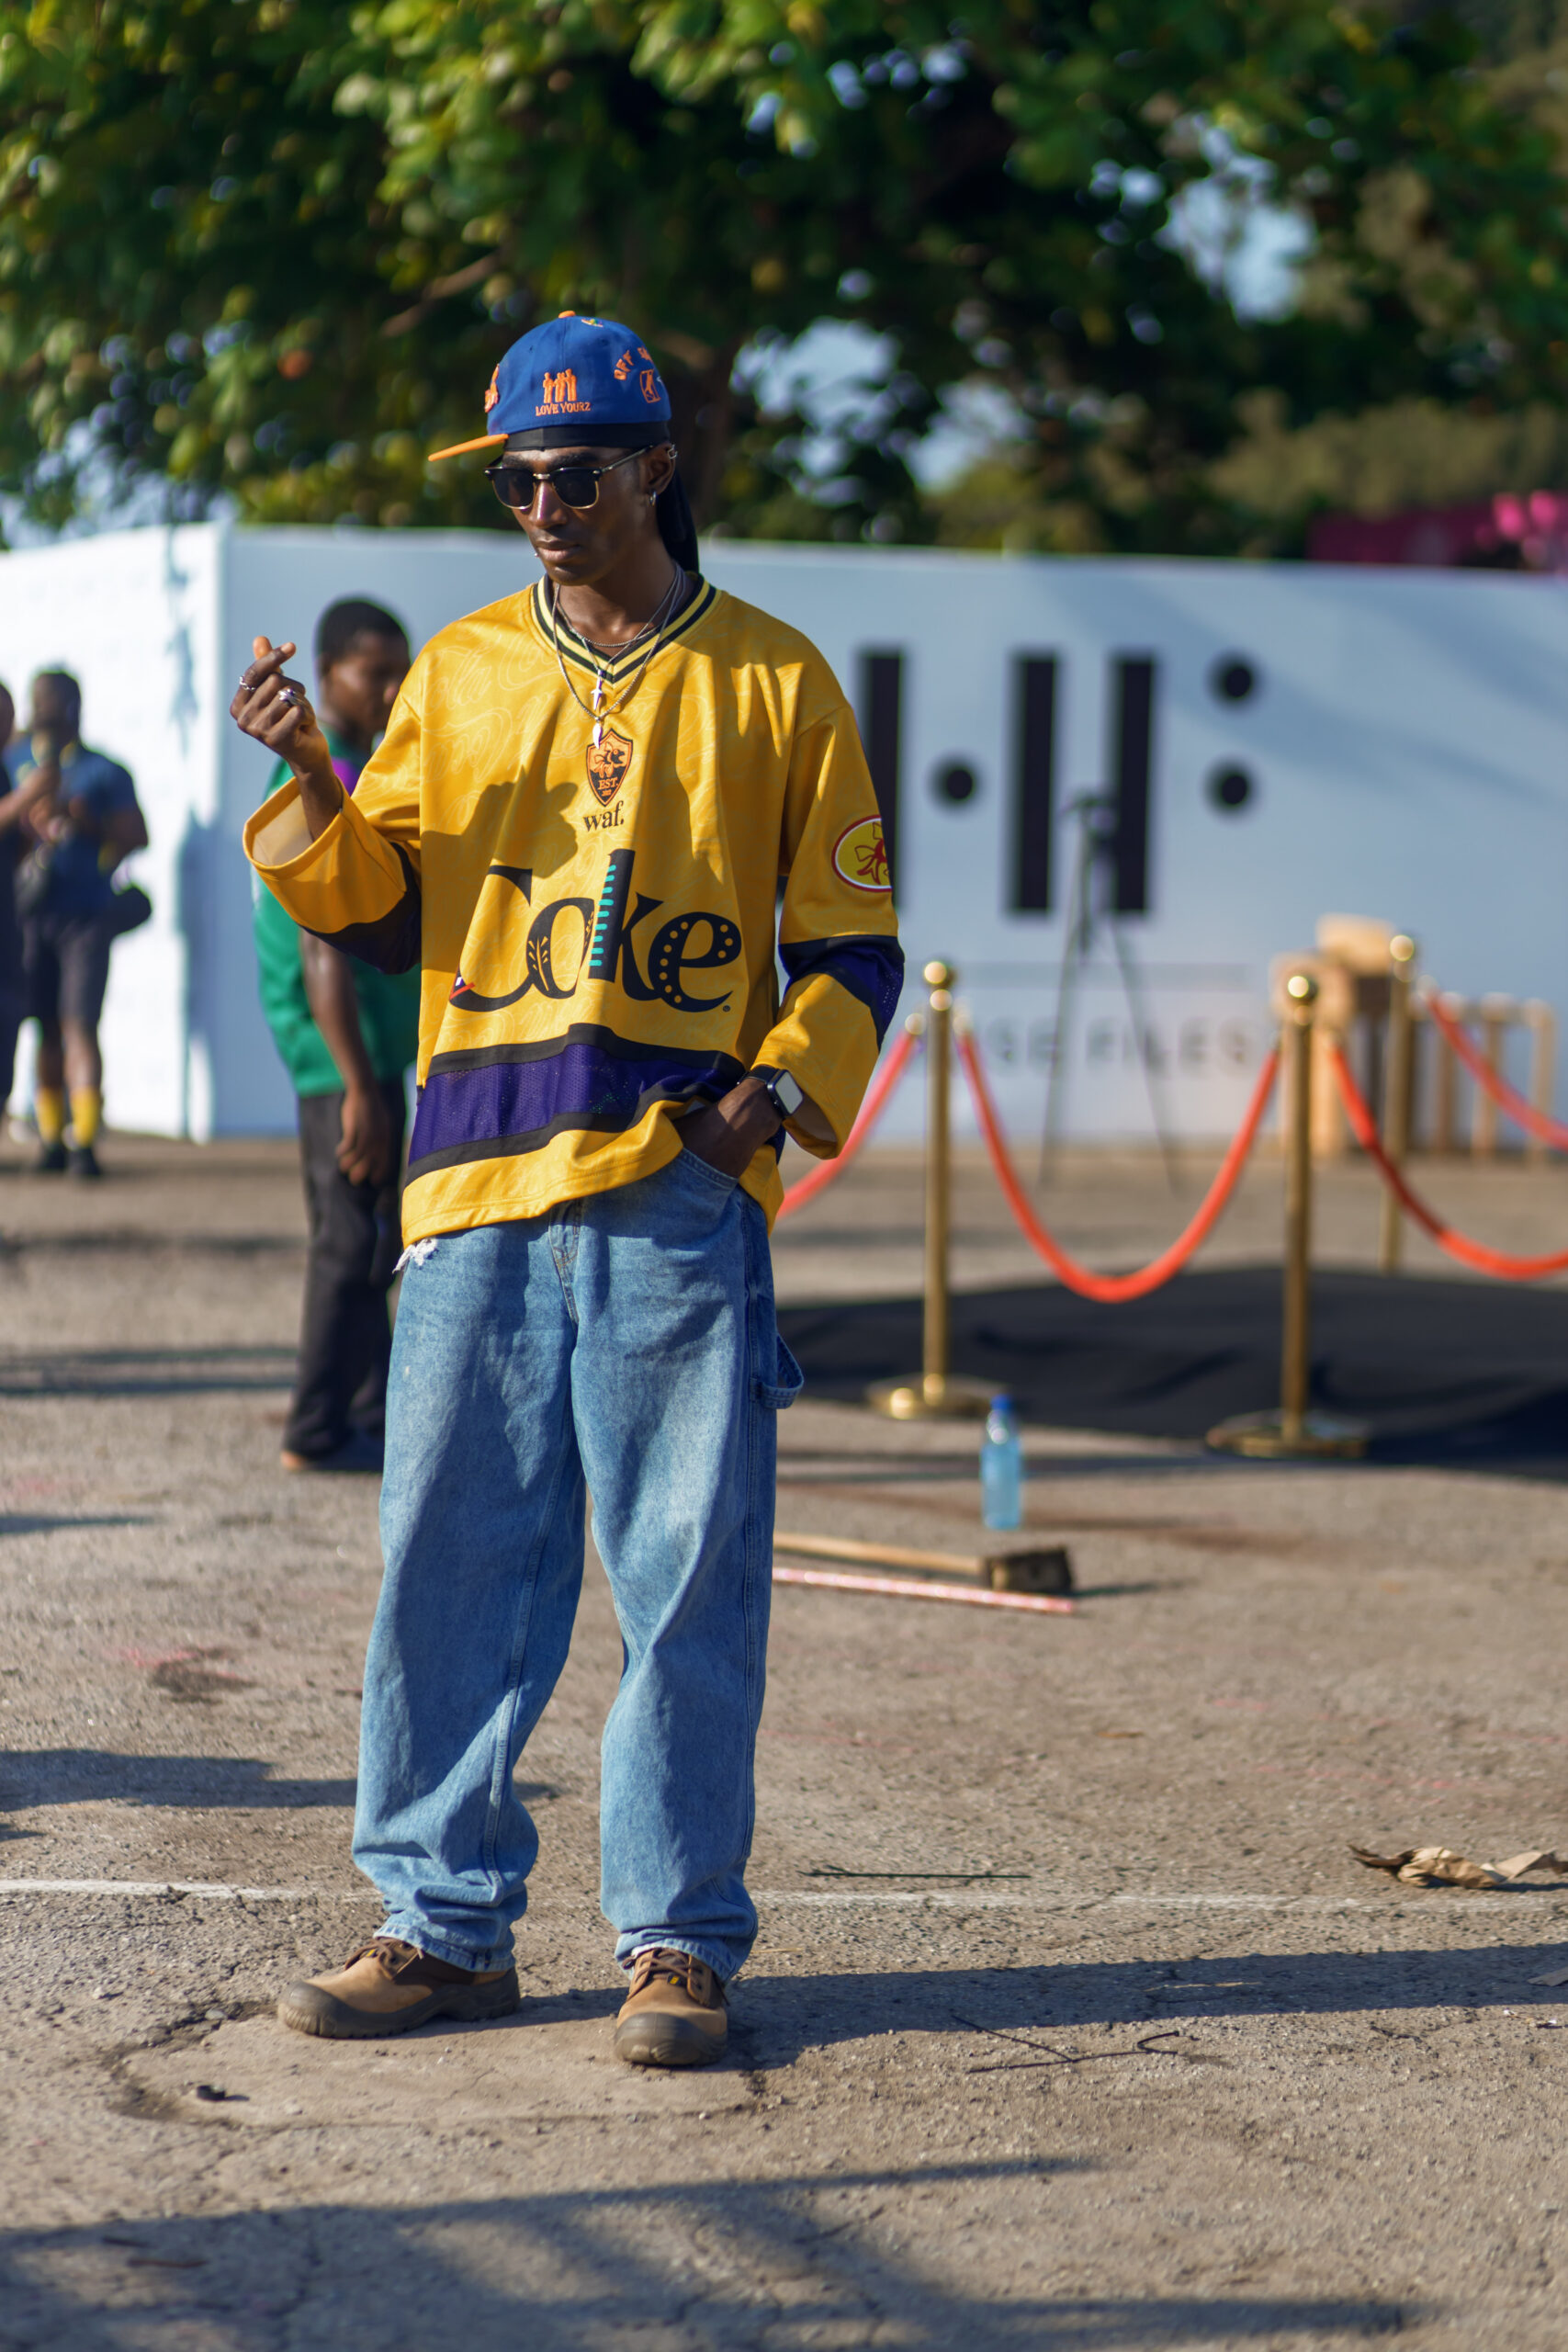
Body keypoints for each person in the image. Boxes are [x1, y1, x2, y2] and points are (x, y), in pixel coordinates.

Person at [232, 311, 902, 2070]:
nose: (541, 505)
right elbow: (386, 915)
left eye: (574, 474)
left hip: (674, 1186)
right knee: (447, 1573)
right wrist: (304, 778)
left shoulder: (772, 681)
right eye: (516, 480)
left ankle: (674, 1941)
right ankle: (440, 1927)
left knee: (685, 1581)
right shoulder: (459, 671)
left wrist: (768, 1104)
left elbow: (852, 947)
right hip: (473, 1183)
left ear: (655, 471)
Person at [253, 599, 421, 1475]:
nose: (391, 691)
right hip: (339, 1056)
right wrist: (358, 1085)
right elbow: (322, 946)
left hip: (368, 1051)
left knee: (376, 1233)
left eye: (400, 672)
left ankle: (369, 1414)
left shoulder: (360, 770)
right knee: (351, 1239)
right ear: (325, 676)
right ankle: (315, 1427)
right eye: (372, 673)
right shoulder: (326, 779)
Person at [6, 670, 149, 1177]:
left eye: (52, 702)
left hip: (86, 916)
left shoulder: (104, 771)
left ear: (73, 707)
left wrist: (86, 821)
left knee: (79, 1024)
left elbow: (137, 835)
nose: (41, 711)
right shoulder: (13, 762)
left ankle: (84, 1139)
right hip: (30, 915)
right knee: (44, 1028)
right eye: (37, 701)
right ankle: (50, 1138)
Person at [0, 678, 57, 1146]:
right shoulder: (17, 779)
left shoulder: (6, 770)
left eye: (9, 716)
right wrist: (28, 795)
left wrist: (32, 835)